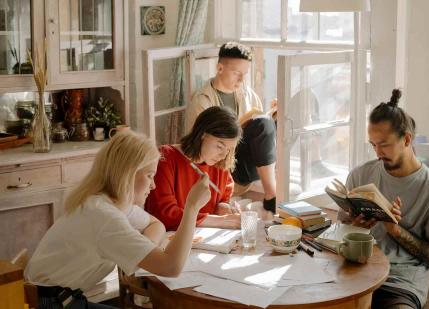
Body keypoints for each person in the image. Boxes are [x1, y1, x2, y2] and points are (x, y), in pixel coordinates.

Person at [25, 131, 211, 309]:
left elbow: (156, 225)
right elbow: (171, 267)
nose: (153, 185)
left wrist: (146, 249)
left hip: (62, 298)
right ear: (128, 174)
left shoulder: (108, 202)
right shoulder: (104, 217)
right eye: (149, 175)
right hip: (52, 304)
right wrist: (192, 208)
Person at [339, 89, 429, 309]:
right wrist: (356, 227)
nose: (377, 153)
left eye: (384, 144)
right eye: (373, 145)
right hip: (356, 272)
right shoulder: (360, 175)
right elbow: (341, 231)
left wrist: (396, 231)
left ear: (407, 139)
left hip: (400, 284)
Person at [186, 41, 277, 214]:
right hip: (224, 167)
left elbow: (261, 136)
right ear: (220, 68)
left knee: (281, 116)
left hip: (248, 163)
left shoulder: (248, 94)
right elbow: (201, 151)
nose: (242, 79)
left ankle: (273, 189)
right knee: (263, 124)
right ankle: (271, 195)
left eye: (245, 74)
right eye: (236, 73)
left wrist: (274, 114)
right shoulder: (202, 101)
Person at [146, 106, 243, 231]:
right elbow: (165, 214)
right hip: (170, 240)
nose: (223, 155)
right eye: (219, 146)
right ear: (202, 134)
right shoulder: (165, 158)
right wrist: (221, 221)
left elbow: (224, 194)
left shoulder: (219, 162)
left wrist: (222, 206)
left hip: (204, 239)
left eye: (229, 149)